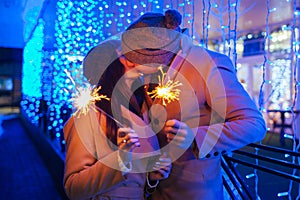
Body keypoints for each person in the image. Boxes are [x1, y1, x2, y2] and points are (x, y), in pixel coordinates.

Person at [120, 9, 267, 199]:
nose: (136, 66)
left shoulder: (208, 64)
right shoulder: (149, 74)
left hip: (194, 191)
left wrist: (196, 138)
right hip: (156, 189)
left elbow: (253, 125)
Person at [63, 39, 172, 200]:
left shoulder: (141, 109)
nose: (134, 58)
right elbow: (73, 187)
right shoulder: (88, 115)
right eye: (126, 55)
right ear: (111, 66)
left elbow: (134, 183)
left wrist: (151, 178)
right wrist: (120, 159)